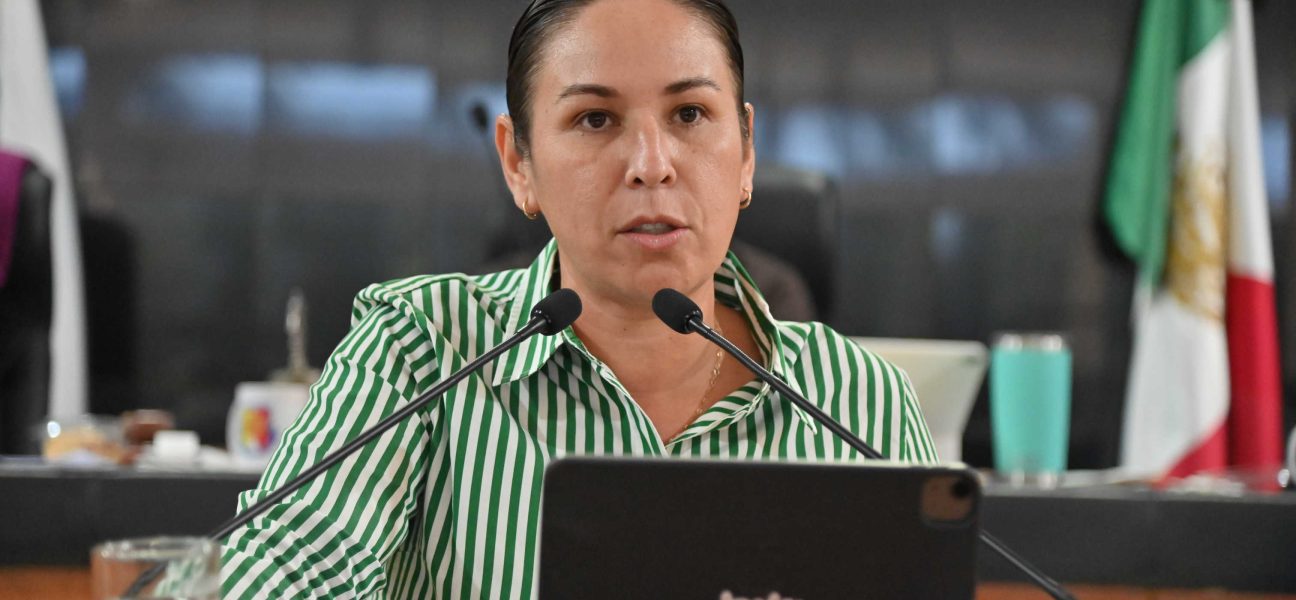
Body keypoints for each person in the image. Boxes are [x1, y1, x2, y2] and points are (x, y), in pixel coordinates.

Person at [221, 0, 937, 597]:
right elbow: (281, 573)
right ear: (518, 163)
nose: (651, 165)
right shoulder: (420, 347)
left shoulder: (857, 400)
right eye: (596, 119)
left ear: (746, 152)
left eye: (690, 113)